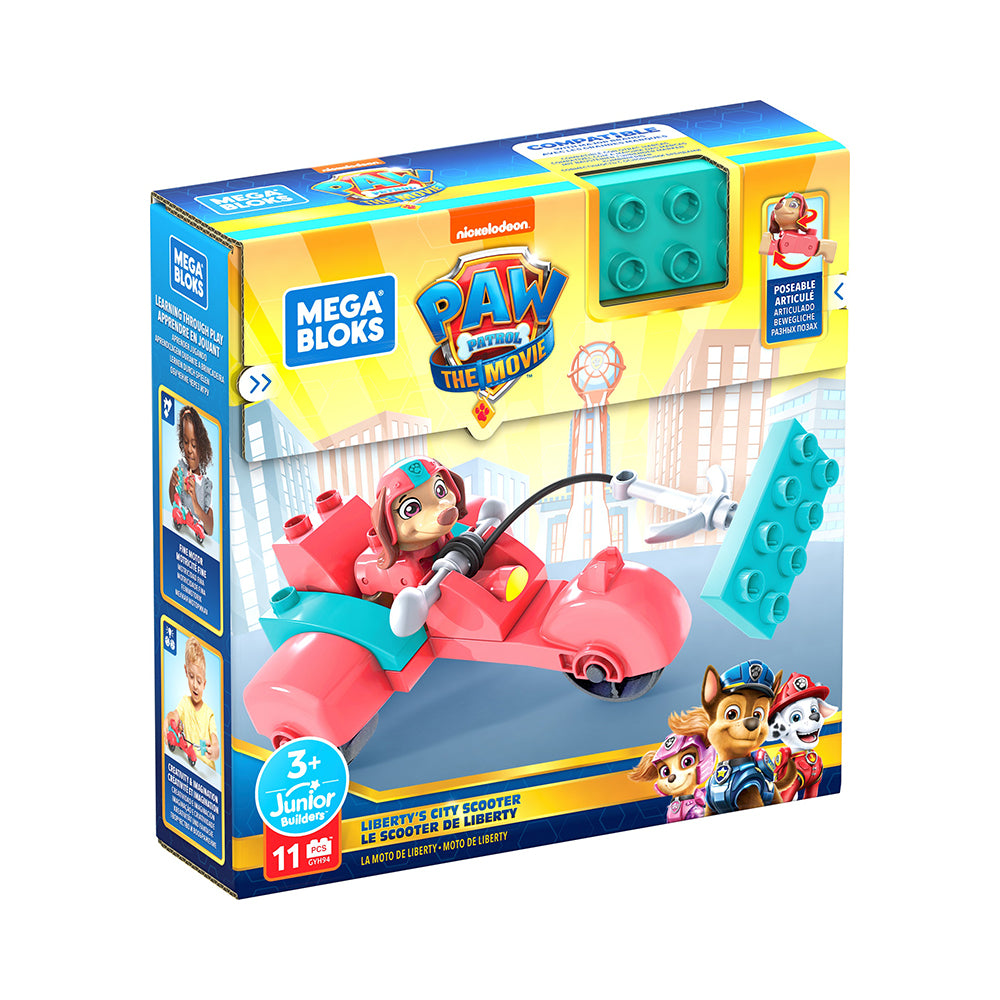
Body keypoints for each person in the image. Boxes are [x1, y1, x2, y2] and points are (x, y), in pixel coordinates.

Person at [164, 637, 219, 770]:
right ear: (186, 671)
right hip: (187, 767)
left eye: (199, 681)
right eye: (191, 676)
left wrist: (215, 750)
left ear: (204, 684)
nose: (194, 685)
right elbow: (174, 715)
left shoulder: (209, 714)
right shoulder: (185, 703)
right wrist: (168, 719)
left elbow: (215, 742)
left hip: (206, 772)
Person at [168, 405, 214, 536]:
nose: (189, 449)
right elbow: (173, 501)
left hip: (195, 536)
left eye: (194, 445)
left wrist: (194, 500)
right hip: (181, 531)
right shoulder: (181, 469)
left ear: (202, 447)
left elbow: (210, 529)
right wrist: (172, 482)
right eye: (185, 442)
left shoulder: (205, 485)